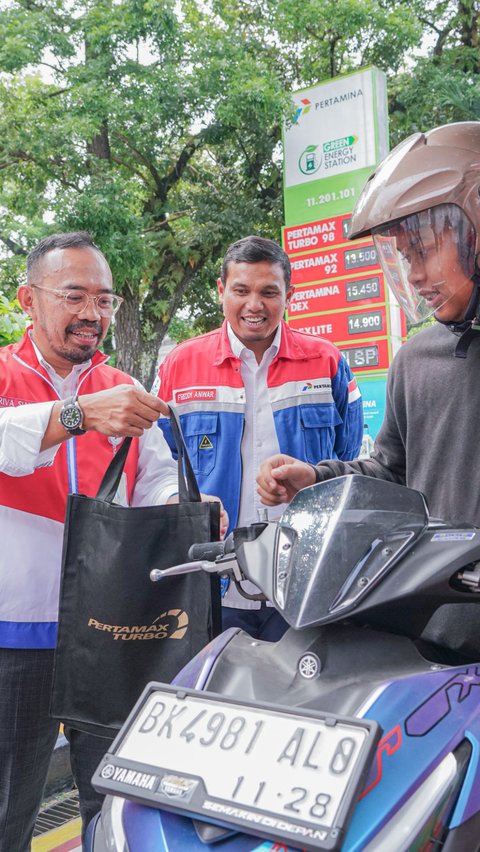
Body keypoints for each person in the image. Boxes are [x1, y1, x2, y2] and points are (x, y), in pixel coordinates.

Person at [0, 231, 226, 851]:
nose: (92, 315)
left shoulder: (124, 384)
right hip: (14, 637)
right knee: (8, 806)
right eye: (75, 296)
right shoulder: (3, 373)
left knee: (121, 802)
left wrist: (187, 509)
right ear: (28, 298)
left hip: (114, 632)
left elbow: (152, 485)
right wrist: (78, 415)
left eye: (105, 301)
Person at [256, 120, 480, 660]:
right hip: (428, 633)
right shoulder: (417, 358)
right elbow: (389, 470)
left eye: (423, 249)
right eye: (405, 257)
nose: (416, 274)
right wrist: (315, 477)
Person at [153, 235, 363, 640]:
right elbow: (162, 464)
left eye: (269, 292)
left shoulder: (328, 361)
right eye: (241, 290)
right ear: (221, 292)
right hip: (213, 583)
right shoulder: (180, 365)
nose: (255, 305)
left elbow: (347, 459)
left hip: (308, 580)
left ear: (289, 295)